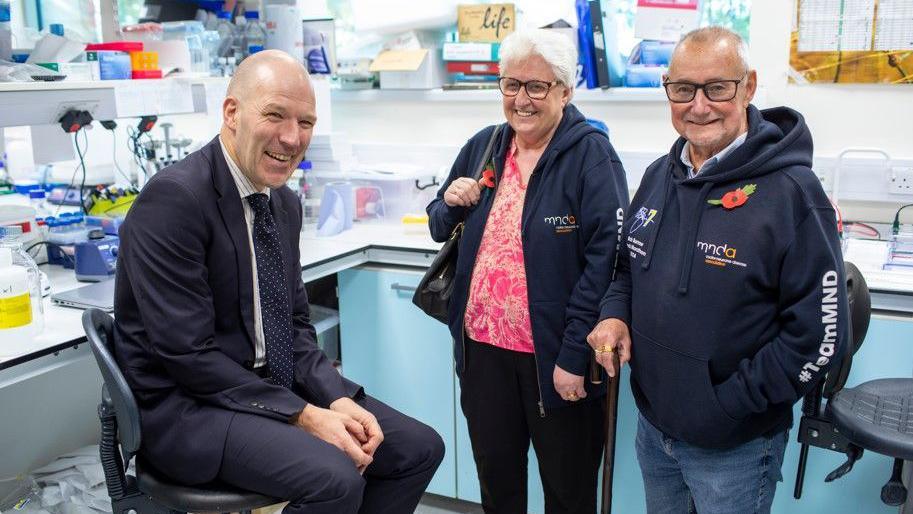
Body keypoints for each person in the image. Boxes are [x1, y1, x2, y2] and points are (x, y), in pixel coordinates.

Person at [113, 50, 444, 514]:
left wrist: (333, 397)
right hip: (190, 409)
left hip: (267, 388)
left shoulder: (281, 204)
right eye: (275, 115)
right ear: (232, 113)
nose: (292, 138)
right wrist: (306, 416)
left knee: (417, 449)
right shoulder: (174, 200)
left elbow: (293, 326)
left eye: (305, 122)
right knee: (335, 480)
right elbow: (189, 356)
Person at [587, 27, 849, 514]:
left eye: (717, 88)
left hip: (735, 447)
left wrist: (727, 406)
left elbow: (819, 337)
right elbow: (626, 268)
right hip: (654, 430)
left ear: (748, 87)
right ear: (667, 88)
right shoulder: (658, 177)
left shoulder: (793, 193)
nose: (699, 106)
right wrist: (614, 315)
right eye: (684, 89)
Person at [427, 30, 629, 514]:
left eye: (537, 87)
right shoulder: (485, 145)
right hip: (482, 353)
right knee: (498, 486)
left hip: (556, 359)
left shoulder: (591, 156)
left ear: (565, 90)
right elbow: (438, 225)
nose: (522, 99)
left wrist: (574, 355)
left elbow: (608, 261)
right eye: (511, 84)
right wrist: (450, 201)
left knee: (568, 490)